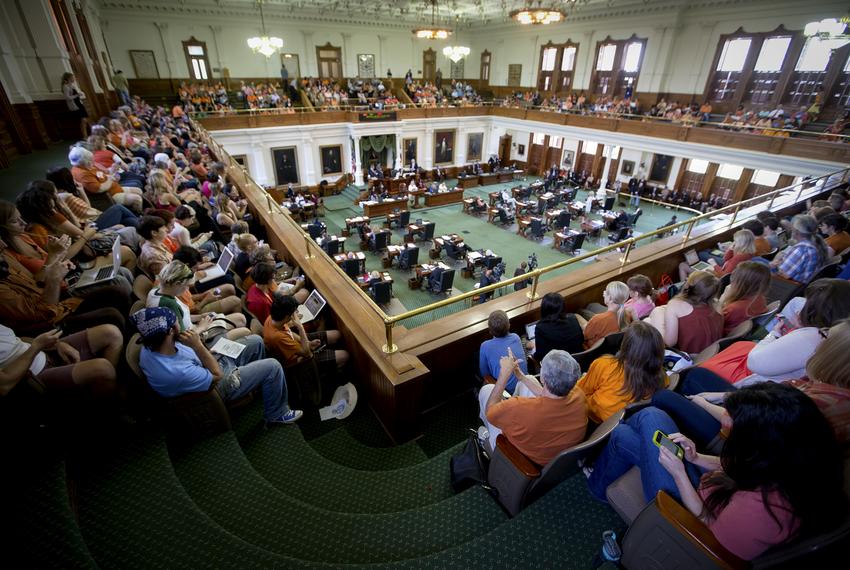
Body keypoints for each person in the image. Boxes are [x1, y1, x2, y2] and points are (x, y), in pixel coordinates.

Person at [588, 383, 845, 561]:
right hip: (713, 492)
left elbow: (707, 529)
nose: (725, 424)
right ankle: (599, 487)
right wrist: (695, 457)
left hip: (686, 517)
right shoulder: (787, 460)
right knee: (625, 433)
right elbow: (735, 468)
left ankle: (596, 486)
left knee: (646, 417)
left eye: (735, 425)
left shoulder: (764, 510)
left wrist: (679, 473)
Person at [134, 307, 302, 425]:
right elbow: (217, 375)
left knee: (256, 341)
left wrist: (200, 331)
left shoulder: (152, 345)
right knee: (273, 366)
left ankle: (257, 385)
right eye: (175, 321)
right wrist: (198, 345)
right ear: (170, 331)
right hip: (215, 386)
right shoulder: (176, 373)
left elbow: (183, 347)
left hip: (204, 366)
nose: (179, 322)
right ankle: (276, 413)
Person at [688, 278, 850, 386]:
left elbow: (754, 363)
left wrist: (774, 333)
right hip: (773, 373)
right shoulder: (833, 337)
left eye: (810, 302)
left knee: (693, 375)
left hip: (754, 380)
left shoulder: (811, 337)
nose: (805, 305)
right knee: (742, 345)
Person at [477, 350, 587, 464]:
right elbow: (553, 396)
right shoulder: (579, 394)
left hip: (522, 459)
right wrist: (521, 377)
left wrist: (504, 374)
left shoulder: (520, 407)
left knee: (487, 390)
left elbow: (490, 412)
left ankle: (487, 442)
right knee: (528, 379)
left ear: (543, 378)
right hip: (555, 455)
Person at [0, 322, 122, 406]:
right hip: (32, 379)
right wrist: (36, 347)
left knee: (111, 333)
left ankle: (106, 391)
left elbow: (17, 340)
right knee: (104, 369)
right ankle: (106, 417)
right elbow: (4, 385)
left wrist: (56, 344)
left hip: (42, 352)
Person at [577, 321, 666, 423]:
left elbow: (580, 391)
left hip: (593, 420)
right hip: (617, 425)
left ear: (625, 345)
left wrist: (585, 377)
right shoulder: (660, 376)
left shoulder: (604, 365)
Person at [263, 294, 349, 375]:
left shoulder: (272, 318)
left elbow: (289, 333)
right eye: (294, 313)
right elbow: (306, 353)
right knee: (344, 355)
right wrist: (300, 327)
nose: (296, 314)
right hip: (301, 362)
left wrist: (308, 343)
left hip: (299, 345)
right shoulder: (277, 337)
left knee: (336, 334)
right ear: (286, 317)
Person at [648, 271, 723, 354]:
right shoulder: (718, 305)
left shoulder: (675, 304)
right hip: (711, 353)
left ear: (688, 286)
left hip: (691, 358)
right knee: (659, 312)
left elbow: (669, 343)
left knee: (655, 313)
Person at [69, 147, 143, 212]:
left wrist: (113, 172)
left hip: (114, 188)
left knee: (138, 191)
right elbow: (100, 189)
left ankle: (135, 210)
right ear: (82, 162)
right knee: (137, 199)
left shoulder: (88, 165)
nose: (92, 162)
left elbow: (103, 175)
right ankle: (139, 215)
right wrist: (111, 178)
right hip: (109, 196)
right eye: (90, 160)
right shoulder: (82, 174)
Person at [478, 310, 528, 394]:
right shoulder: (516, 337)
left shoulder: (485, 346)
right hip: (525, 386)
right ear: (509, 325)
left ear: (490, 330)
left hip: (505, 393)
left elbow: (485, 374)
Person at [771, 214, 828, 283]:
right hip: (804, 283)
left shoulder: (801, 249)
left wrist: (774, 266)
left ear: (796, 231)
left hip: (792, 287)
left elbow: (783, 276)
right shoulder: (816, 242)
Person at [527, 292, 584, 361]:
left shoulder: (540, 328)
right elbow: (581, 340)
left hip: (557, 366)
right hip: (578, 360)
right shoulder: (573, 318)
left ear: (544, 309)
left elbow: (539, 356)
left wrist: (533, 347)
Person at [718, 261, 769, 335]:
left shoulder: (733, 308)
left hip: (721, 335)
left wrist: (722, 299)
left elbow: (714, 323)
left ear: (740, 283)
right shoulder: (761, 298)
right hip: (742, 332)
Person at [581, 281, 630, 349]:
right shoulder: (627, 315)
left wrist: (586, 325)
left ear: (610, 298)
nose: (604, 293)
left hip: (594, 349)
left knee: (577, 315)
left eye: (606, 291)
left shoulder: (598, 319)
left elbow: (585, 336)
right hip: (608, 348)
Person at [61, 72, 88, 138]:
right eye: (72, 77)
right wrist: (76, 95)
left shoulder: (73, 85)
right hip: (75, 105)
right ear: (68, 78)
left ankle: (85, 135)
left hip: (79, 103)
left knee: (84, 121)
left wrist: (81, 94)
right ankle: (85, 136)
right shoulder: (65, 86)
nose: (74, 78)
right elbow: (67, 97)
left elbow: (79, 92)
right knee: (82, 121)